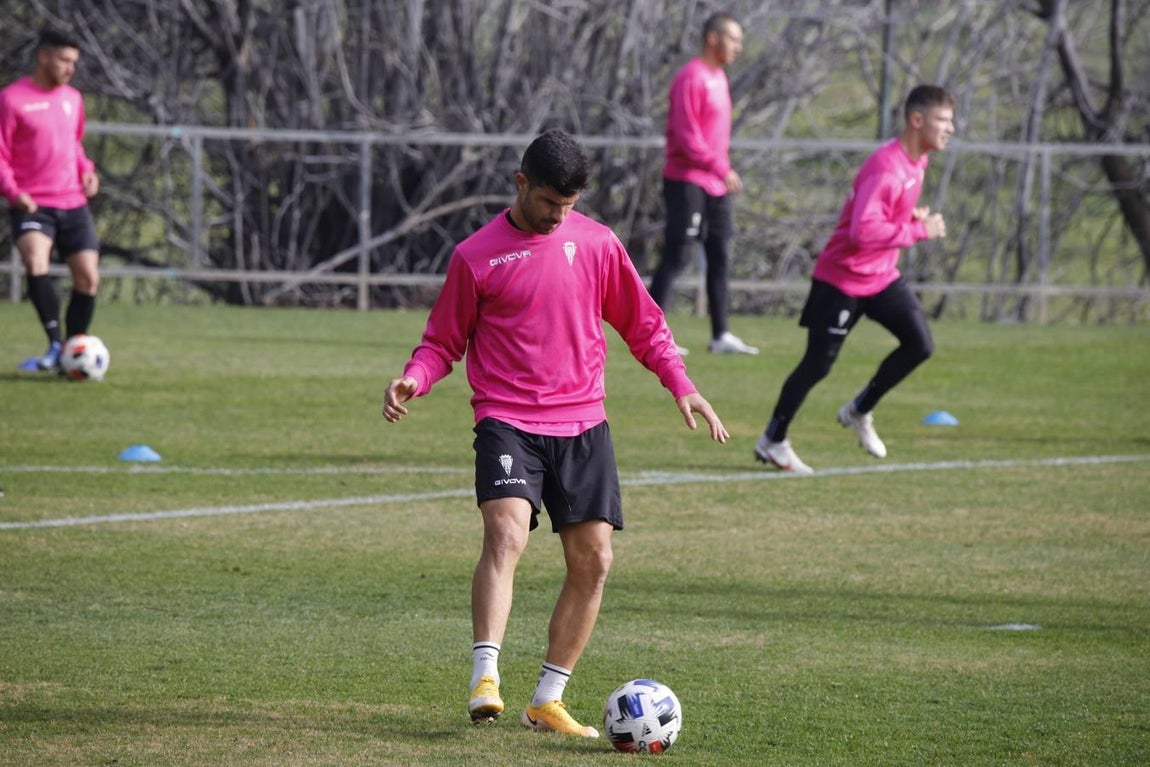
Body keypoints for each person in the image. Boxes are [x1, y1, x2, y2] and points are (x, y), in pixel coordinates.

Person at [382, 129, 728, 737]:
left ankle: (547, 698)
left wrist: (681, 383)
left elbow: (643, 324)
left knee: (594, 560)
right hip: (507, 419)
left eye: (568, 207)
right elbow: (443, 340)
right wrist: (416, 376)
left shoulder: (596, 244)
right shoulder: (477, 255)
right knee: (506, 533)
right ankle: (484, 675)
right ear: (521, 185)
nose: (558, 217)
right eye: (549, 204)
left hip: (583, 422)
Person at [754, 85, 955, 474]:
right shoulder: (887, 166)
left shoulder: (918, 162)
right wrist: (919, 231)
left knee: (920, 344)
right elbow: (860, 233)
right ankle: (772, 440)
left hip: (880, 277)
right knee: (817, 365)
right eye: (943, 120)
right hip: (841, 280)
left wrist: (907, 220)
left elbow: (880, 219)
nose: (950, 129)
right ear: (917, 120)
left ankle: (860, 410)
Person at [648, 11, 758, 357]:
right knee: (677, 256)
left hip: (717, 184)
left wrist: (721, 171)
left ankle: (721, 335)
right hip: (688, 181)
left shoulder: (719, 78)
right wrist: (718, 166)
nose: (739, 47)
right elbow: (685, 136)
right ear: (714, 39)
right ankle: (652, 335)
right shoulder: (690, 77)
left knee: (720, 255)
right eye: (734, 39)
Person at [0, 28, 101, 372]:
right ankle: (56, 344)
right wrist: (14, 193)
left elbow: (74, 146)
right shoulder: (12, 99)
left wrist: (87, 171)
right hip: (33, 204)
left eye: (74, 62)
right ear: (44, 57)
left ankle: (73, 351)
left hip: (72, 201)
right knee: (35, 261)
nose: (71, 68)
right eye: (64, 60)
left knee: (88, 278)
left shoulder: (73, 99)